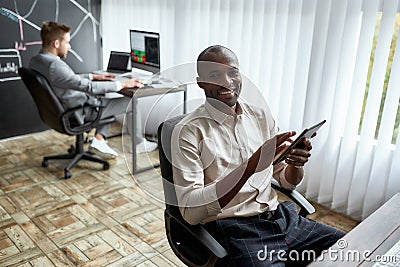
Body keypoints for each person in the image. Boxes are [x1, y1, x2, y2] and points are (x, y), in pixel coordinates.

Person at [170, 45, 345, 266]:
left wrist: (295, 164)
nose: (227, 81)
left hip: (281, 219)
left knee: (350, 247)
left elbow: (286, 181)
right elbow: (191, 213)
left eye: (232, 72)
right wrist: (249, 167)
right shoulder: (188, 132)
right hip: (237, 229)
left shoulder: (261, 117)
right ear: (200, 82)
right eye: (215, 74)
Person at [30, 21, 157, 159]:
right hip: (80, 112)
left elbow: (67, 79)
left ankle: (99, 139)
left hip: (61, 109)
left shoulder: (37, 60)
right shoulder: (55, 66)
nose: (69, 46)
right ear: (56, 44)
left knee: (104, 97)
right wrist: (123, 84)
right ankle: (138, 144)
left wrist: (93, 76)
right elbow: (88, 87)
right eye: (67, 42)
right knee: (132, 102)